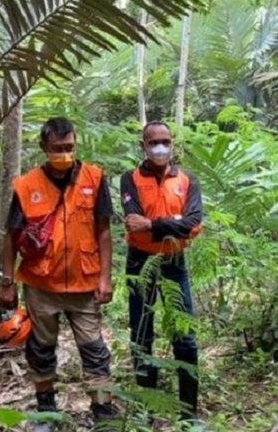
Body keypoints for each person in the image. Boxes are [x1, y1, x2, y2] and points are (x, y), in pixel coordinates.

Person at [0, 117, 116, 431]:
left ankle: (103, 411)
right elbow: (10, 236)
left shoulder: (94, 177)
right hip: (41, 284)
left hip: (84, 282)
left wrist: (106, 277)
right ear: (43, 147)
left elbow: (104, 230)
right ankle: (45, 410)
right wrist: (7, 282)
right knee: (41, 348)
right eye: (57, 149)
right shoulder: (26, 186)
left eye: (69, 148)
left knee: (94, 348)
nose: (64, 154)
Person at [120, 120, 203, 420]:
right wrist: (174, 223)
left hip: (174, 263)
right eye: (154, 141)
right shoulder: (129, 179)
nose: (160, 147)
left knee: (185, 337)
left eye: (165, 141)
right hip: (139, 261)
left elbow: (193, 224)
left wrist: (153, 224)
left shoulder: (187, 180)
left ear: (172, 144)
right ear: (143, 145)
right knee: (141, 335)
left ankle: (188, 414)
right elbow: (133, 224)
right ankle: (146, 412)